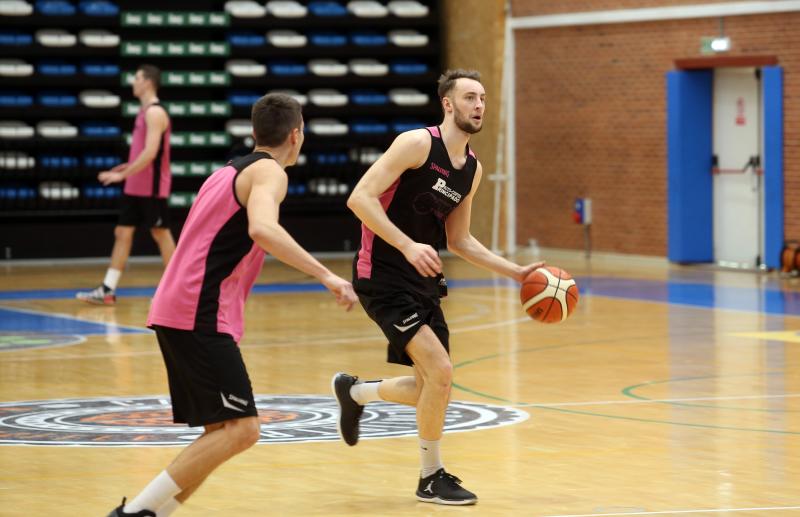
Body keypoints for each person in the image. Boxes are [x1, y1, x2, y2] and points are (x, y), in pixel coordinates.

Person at [107, 93, 357, 517]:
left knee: (219, 434)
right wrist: (327, 274)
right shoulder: (270, 173)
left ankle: (154, 512)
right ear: (296, 135)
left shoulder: (224, 172)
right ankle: (132, 514)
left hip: (178, 308)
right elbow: (262, 228)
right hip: (197, 311)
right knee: (244, 429)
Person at [332, 69, 544, 506]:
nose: (479, 105)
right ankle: (431, 477)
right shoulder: (416, 144)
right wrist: (408, 244)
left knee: (432, 385)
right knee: (442, 373)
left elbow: (459, 239)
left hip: (424, 281)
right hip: (382, 274)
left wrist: (516, 272)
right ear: (448, 104)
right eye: (469, 97)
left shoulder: (473, 170)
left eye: (483, 97)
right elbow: (359, 198)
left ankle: (355, 392)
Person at [77, 64, 175, 305]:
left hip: (151, 186)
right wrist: (127, 168)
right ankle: (108, 289)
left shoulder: (155, 112)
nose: (133, 82)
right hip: (136, 183)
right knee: (122, 232)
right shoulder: (142, 111)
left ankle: (179, 288)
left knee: (160, 233)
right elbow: (143, 151)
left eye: (137, 78)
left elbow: (152, 153)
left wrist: (123, 175)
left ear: (148, 82)